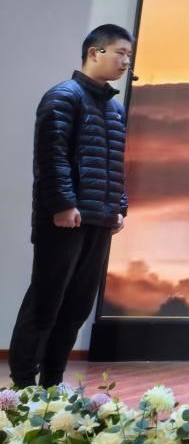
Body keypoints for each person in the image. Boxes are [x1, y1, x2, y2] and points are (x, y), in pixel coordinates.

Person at [9, 25, 133, 389]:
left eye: (129, 55)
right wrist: (63, 204)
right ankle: (22, 385)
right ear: (94, 53)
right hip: (65, 219)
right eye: (120, 53)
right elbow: (52, 158)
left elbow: (115, 163)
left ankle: (53, 382)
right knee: (46, 302)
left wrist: (119, 206)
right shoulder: (63, 97)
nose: (126, 62)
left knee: (77, 306)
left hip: (99, 218)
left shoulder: (114, 107)